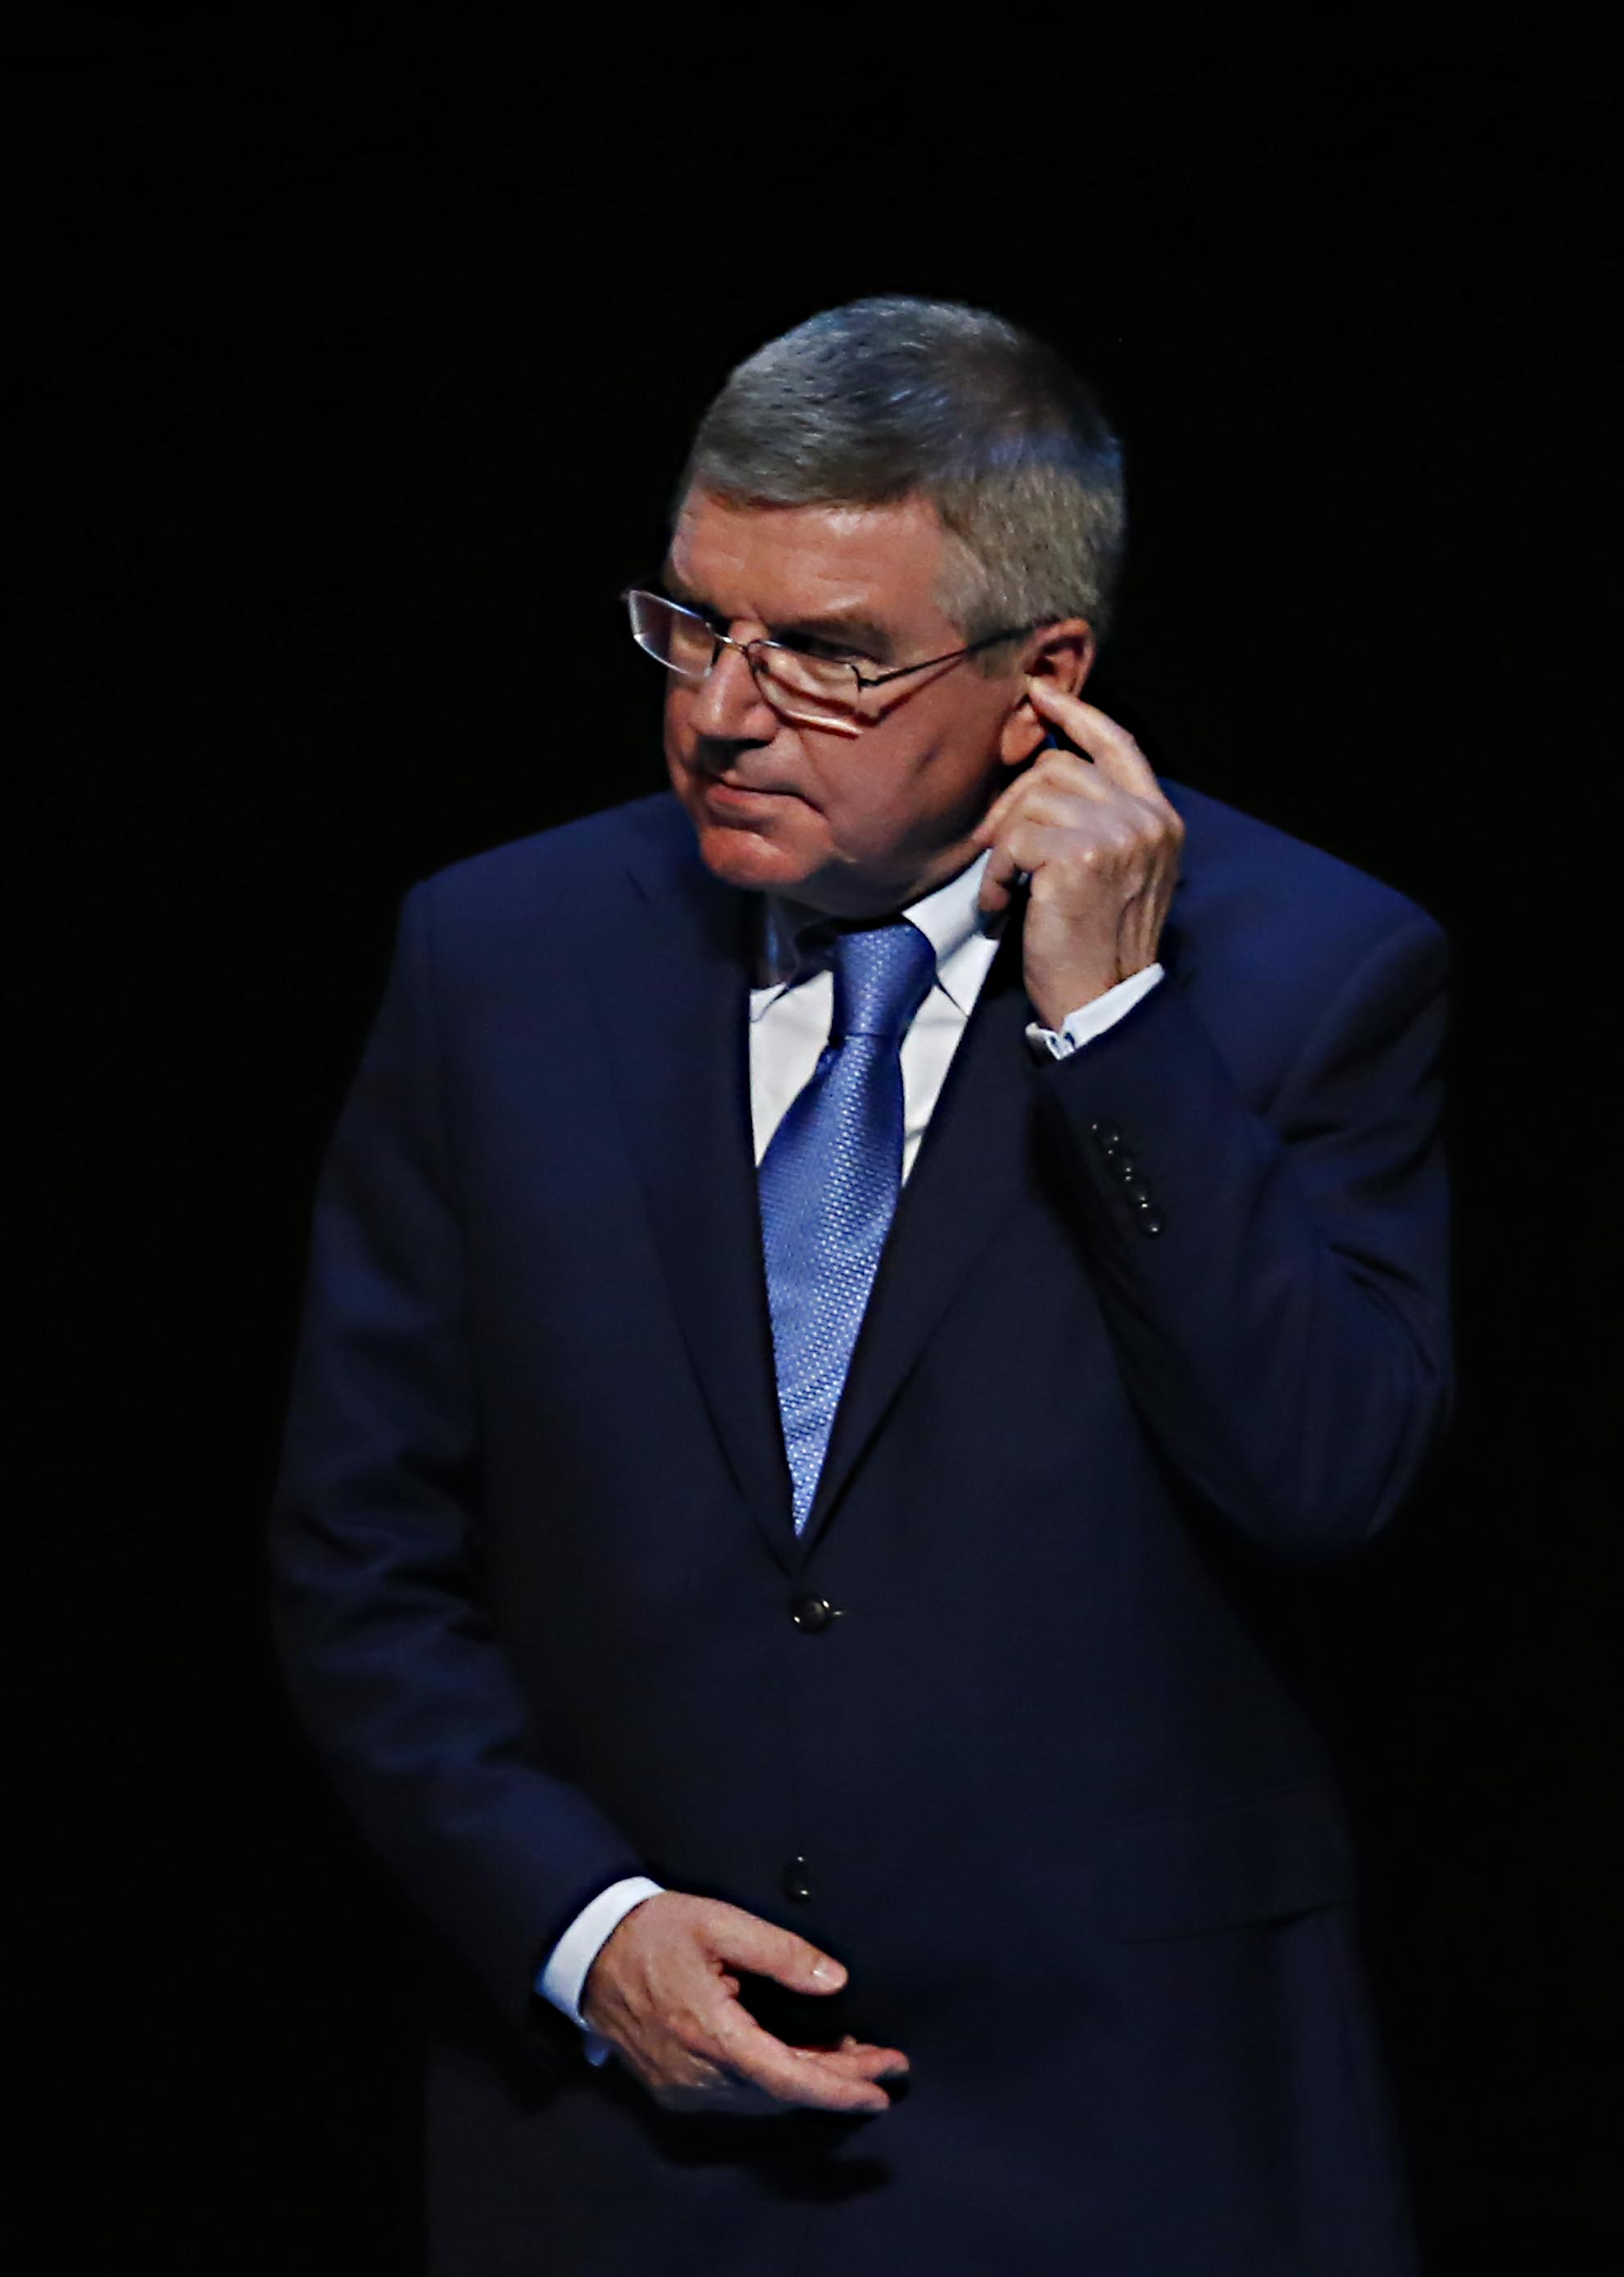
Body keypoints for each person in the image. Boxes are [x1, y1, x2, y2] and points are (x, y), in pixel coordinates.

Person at [272, 301, 1453, 2271]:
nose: (726, 711)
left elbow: (1326, 1475)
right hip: (625, 2131)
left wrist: (1116, 1028)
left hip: (1126, 2140)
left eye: (826, 657)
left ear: (1043, 680)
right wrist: (584, 1933)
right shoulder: (497, 960)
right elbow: (359, 1551)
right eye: (694, 623)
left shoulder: (1313, 974)